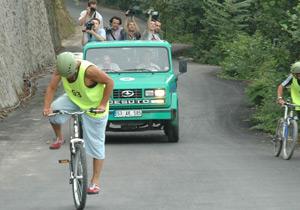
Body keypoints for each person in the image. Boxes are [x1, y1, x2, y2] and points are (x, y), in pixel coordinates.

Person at [43, 52, 114, 194]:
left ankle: (95, 181)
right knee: (53, 113)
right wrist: (46, 107)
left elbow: (110, 82)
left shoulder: (89, 71)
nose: (68, 78)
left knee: (96, 144)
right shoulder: (61, 69)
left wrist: (102, 104)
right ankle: (59, 137)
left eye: (69, 75)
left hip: (94, 106)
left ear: (75, 66)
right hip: (74, 100)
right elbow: (51, 87)